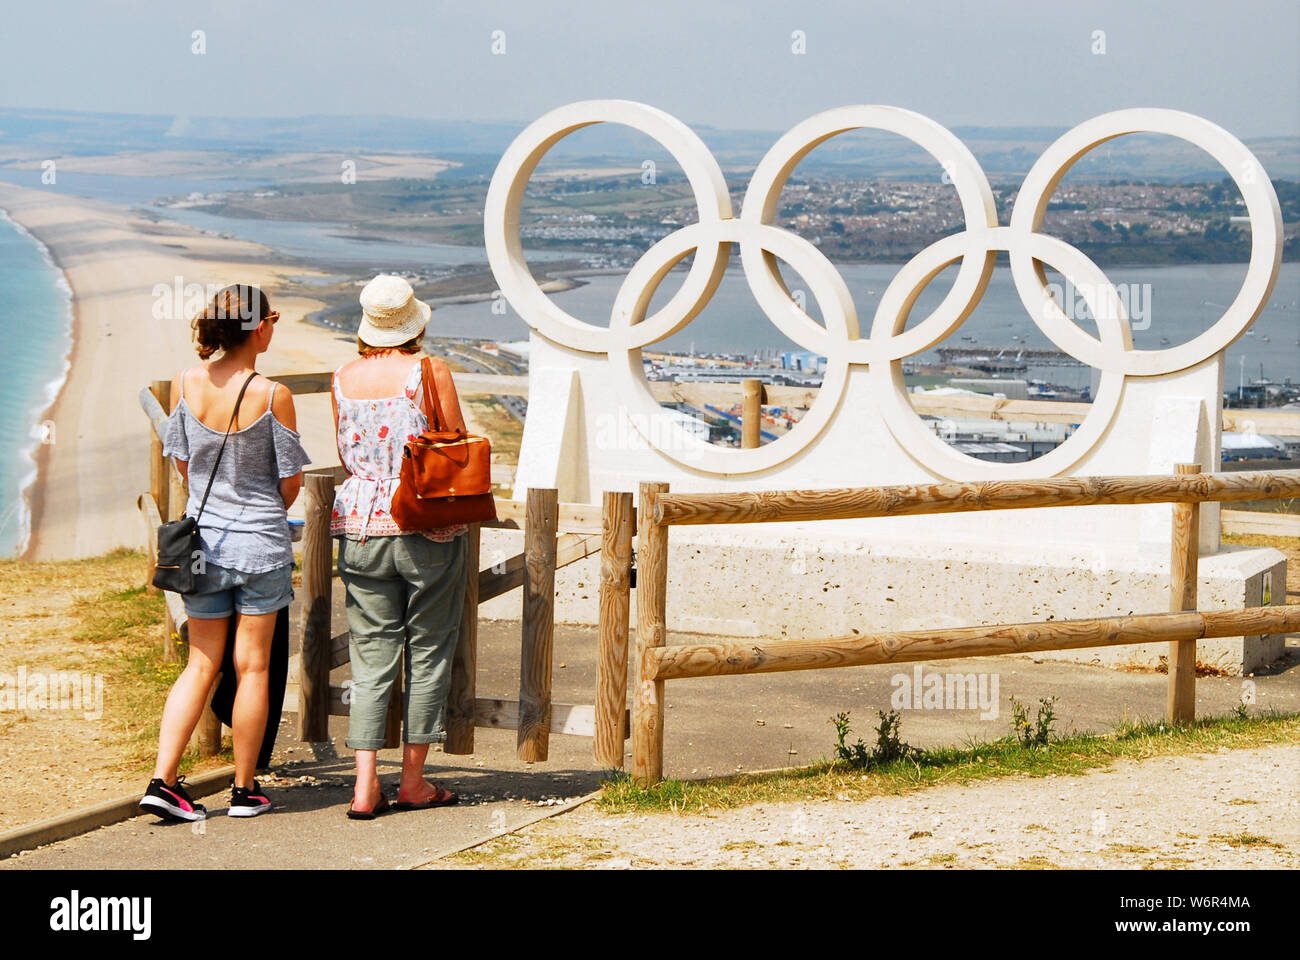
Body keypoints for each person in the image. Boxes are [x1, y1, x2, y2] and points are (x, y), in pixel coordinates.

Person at [139, 285, 310, 821]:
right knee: (254, 668)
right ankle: (243, 790)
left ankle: (163, 781)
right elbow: (289, 486)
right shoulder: (272, 393)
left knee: (200, 663)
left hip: (203, 547)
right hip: (259, 546)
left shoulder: (187, 384)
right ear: (258, 328)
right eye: (272, 321)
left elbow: (184, 466)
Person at [331, 274, 468, 819]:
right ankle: (413, 782)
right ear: (413, 323)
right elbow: (454, 442)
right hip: (422, 524)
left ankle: (364, 787)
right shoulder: (428, 371)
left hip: (360, 523)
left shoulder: (342, 376)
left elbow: (345, 453)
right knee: (429, 650)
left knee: (371, 656)